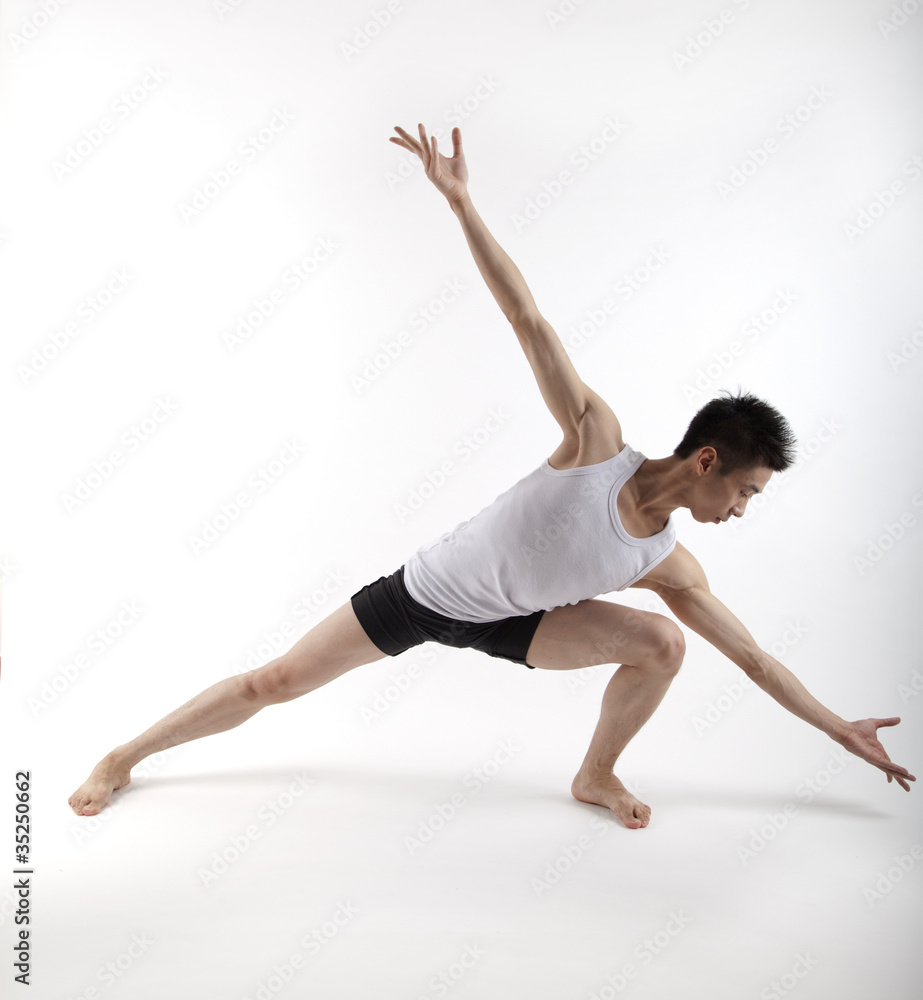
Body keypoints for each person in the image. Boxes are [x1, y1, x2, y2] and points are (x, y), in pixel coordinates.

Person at [68, 123, 914, 829]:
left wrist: (838, 729)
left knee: (664, 643)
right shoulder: (594, 440)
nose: (741, 509)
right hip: (425, 594)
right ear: (706, 462)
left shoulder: (669, 565)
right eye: (744, 491)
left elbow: (756, 661)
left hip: (515, 624)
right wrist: (461, 203)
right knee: (274, 682)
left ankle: (594, 776)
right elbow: (525, 316)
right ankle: (123, 756)